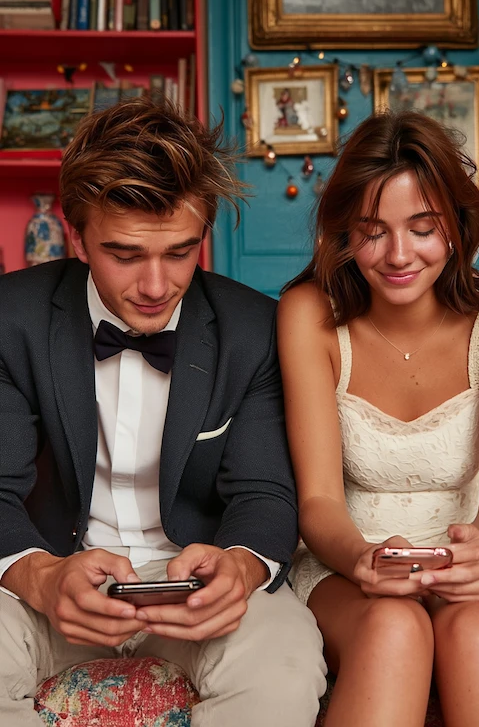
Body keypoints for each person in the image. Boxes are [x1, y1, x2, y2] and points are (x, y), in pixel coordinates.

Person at [0, 98, 326, 726]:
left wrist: (242, 565)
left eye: (180, 252)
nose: (156, 285)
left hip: (195, 591)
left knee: (284, 670)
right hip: (48, 581)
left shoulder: (253, 330)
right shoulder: (10, 320)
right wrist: (39, 577)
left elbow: (264, 493)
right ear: (76, 236)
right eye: (125, 254)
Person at [277, 110, 479, 726]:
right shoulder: (307, 314)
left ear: (457, 224)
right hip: (346, 559)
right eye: (371, 231)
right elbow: (317, 504)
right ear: (343, 231)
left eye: (423, 228)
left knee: (471, 627)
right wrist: (363, 558)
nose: (398, 255)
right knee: (394, 627)